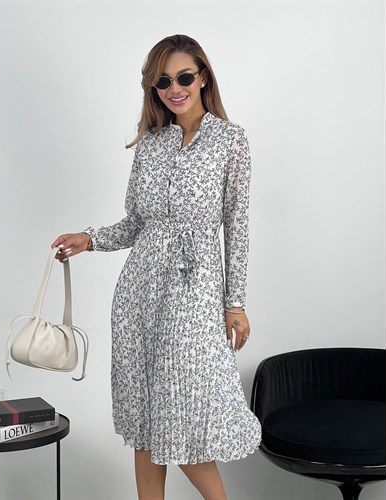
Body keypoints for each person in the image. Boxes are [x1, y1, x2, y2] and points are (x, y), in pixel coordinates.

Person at [51, 34, 262, 500]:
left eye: (184, 77)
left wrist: (235, 304)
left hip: (194, 293)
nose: (174, 89)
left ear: (203, 78)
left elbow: (237, 227)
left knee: (181, 419)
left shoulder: (231, 141)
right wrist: (90, 238)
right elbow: (137, 223)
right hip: (139, 294)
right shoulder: (151, 144)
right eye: (162, 82)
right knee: (146, 422)